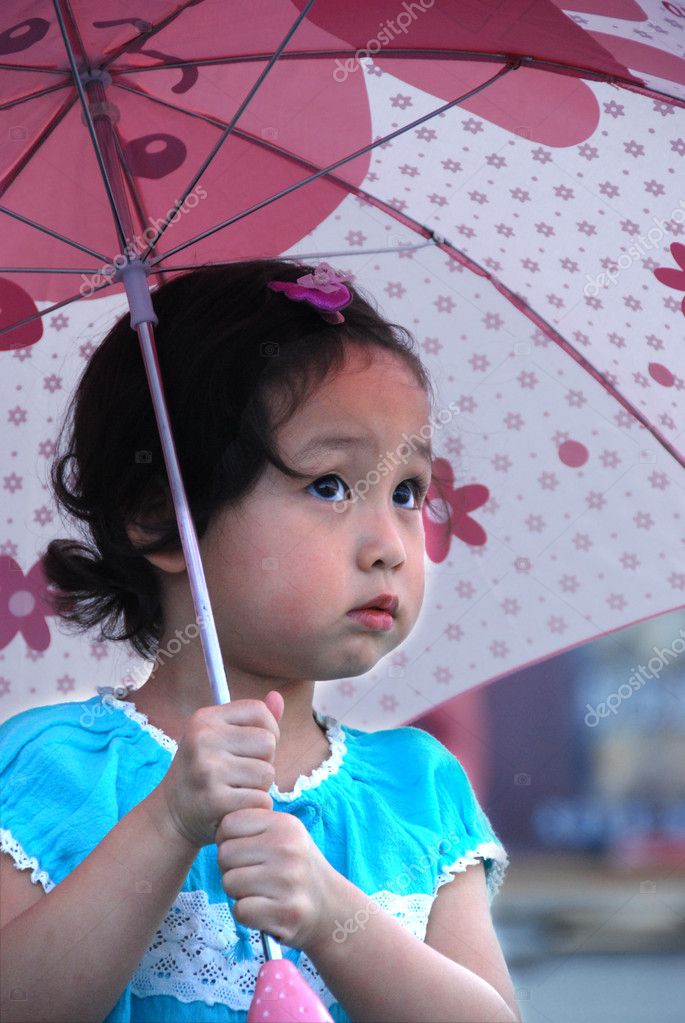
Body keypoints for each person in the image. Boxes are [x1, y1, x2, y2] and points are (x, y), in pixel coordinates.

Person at [0, 259, 520, 1023]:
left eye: (406, 490)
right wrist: (168, 823)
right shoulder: (57, 770)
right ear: (159, 517)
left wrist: (330, 916)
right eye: (330, 485)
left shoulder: (418, 791)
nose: (389, 545)